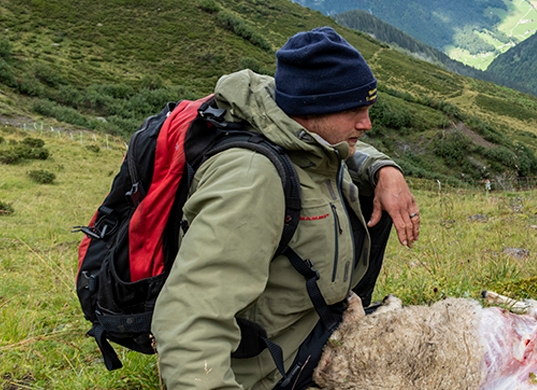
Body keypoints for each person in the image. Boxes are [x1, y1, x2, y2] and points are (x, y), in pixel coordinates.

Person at [151, 26, 420, 389]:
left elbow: (338, 153)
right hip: (272, 373)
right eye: (355, 110)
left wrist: (383, 169)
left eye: (368, 108)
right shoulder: (252, 181)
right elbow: (190, 321)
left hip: (311, 338)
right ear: (313, 108)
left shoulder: (307, 139)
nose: (366, 124)